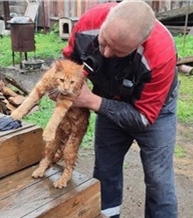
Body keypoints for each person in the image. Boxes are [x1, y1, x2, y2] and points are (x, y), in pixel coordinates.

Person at [62, 0, 179, 217]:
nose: (106, 53)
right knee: (105, 170)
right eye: (104, 41)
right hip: (108, 96)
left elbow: (143, 118)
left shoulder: (160, 54)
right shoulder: (88, 23)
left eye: (119, 51)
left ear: (141, 43)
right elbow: (71, 61)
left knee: (158, 181)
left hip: (153, 111)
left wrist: (91, 101)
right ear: (105, 22)